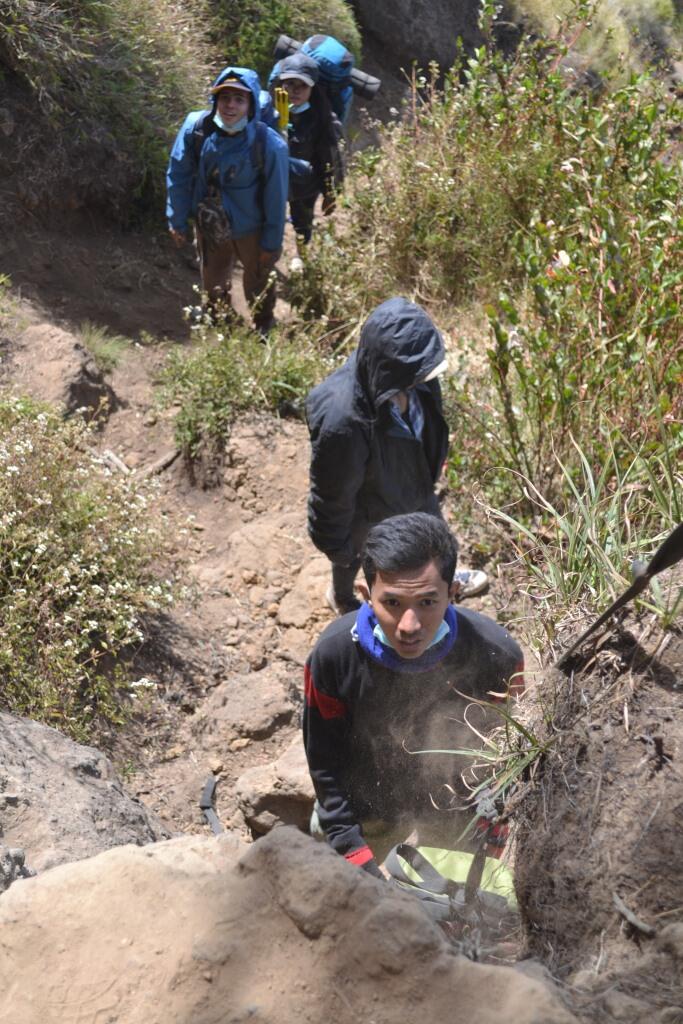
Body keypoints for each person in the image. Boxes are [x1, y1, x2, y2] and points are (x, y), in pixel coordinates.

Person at [303, 513, 524, 875]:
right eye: (391, 603)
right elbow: (324, 760)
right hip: (366, 806)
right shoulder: (335, 656)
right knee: (340, 897)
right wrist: (348, 845)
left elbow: (502, 751)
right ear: (365, 596)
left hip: (456, 808)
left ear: (453, 593)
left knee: (453, 912)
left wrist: (492, 820)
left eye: (426, 602)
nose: (409, 626)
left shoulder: (495, 655)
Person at [305, 296, 488, 615]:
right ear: (390, 369)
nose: (428, 375)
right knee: (360, 557)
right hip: (370, 510)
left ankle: (443, 584)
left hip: (414, 484)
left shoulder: (413, 372)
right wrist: (340, 549)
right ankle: (345, 596)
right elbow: (331, 498)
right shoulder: (343, 420)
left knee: (436, 544)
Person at [166, 66, 289, 332]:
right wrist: (176, 219)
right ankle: (219, 319)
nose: (230, 105)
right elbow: (178, 173)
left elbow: (276, 199)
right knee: (212, 278)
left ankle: (263, 325)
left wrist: (271, 243)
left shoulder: (270, 145)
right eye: (225, 98)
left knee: (258, 279)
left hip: (252, 228)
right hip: (210, 223)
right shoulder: (196, 130)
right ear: (215, 100)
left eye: (239, 99)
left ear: (251, 104)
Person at [270, 52, 343, 246]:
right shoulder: (265, 112)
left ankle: (300, 256)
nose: (296, 90)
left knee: (302, 223)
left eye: (303, 85)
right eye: (290, 83)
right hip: (270, 180)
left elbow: (331, 158)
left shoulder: (323, 120)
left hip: (304, 185)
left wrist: (331, 192)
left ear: (313, 88)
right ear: (280, 84)